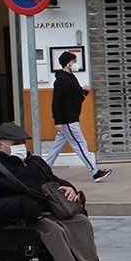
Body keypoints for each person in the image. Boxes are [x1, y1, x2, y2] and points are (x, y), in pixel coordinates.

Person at [0, 123, 116, 261]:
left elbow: (54, 180)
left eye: (23, 142)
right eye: (16, 143)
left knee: (80, 221)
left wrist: (68, 188)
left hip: (45, 212)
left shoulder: (35, 162)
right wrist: (21, 204)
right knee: (53, 230)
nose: (21, 147)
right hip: (17, 219)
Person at [45, 51, 112, 182]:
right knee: (80, 144)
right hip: (68, 120)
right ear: (68, 63)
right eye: (74, 61)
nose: (76, 63)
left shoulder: (71, 77)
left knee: (57, 147)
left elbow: (77, 98)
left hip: (71, 118)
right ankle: (95, 172)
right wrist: (57, 121)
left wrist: (85, 92)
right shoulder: (62, 80)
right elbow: (56, 101)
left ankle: (44, 169)